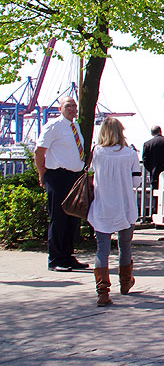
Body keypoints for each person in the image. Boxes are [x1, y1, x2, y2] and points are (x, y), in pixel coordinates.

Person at [87, 117, 143, 306]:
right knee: (125, 245)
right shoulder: (130, 154)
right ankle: (125, 282)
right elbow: (136, 182)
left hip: (102, 207)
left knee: (102, 249)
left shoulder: (96, 153)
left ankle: (103, 291)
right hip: (125, 207)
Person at [34, 96, 89, 272]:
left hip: (74, 177)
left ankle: (67, 255)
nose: (72, 108)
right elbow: (39, 150)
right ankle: (56, 258)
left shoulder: (75, 126)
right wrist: (42, 173)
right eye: (68, 105)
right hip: (58, 176)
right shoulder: (53, 126)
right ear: (60, 108)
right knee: (58, 218)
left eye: (74, 105)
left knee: (72, 218)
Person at [142, 125, 164, 220]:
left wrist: (151, 170)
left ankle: (156, 217)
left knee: (156, 197)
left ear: (152, 133)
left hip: (155, 174)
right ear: (160, 131)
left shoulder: (147, 144)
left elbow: (145, 161)